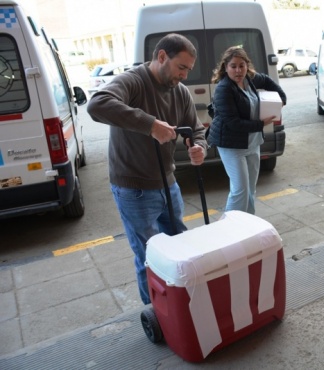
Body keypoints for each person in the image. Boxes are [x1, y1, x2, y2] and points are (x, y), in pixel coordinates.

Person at [87, 33, 208, 305]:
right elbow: (97, 104)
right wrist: (150, 124)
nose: (185, 76)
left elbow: (197, 129)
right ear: (162, 56)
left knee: (179, 249)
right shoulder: (134, 81)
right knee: (150, 258)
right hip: (134, 189)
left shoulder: (180, 92)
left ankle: (183, 307)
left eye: (189, 69)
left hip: (169, 183)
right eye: (181, 67)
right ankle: (159, 315)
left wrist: (199, 147)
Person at [208, 46, 286, 214]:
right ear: (226, 67)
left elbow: (266, 80)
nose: (238, 70)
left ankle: (248, 224)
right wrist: (260, 124)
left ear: (246, 66)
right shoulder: (224, 89)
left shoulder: (248, 79)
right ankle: (230, 229)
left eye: (241, 65)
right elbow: (232, 122)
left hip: (252, 143)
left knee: (250, 189)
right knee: (240, 190)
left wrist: (282, 98)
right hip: (232, 145)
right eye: (233, 66)